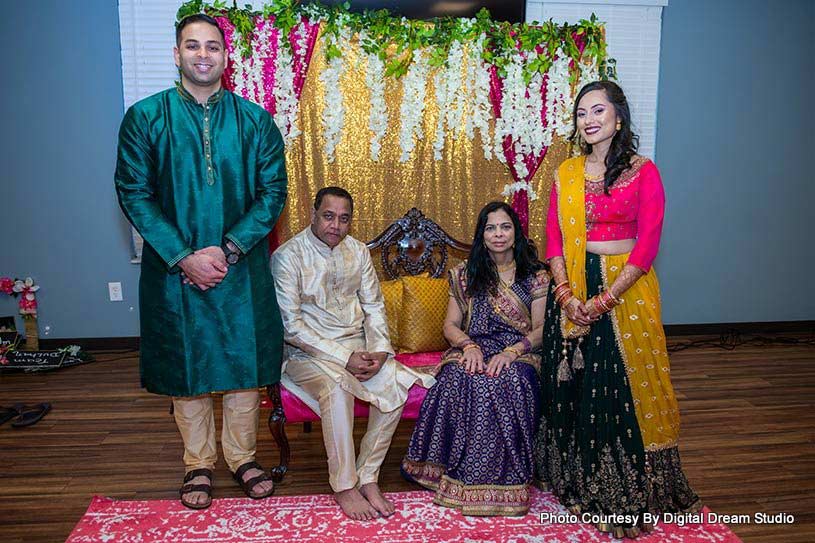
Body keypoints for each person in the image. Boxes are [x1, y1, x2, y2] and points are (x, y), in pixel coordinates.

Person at [115, 14, 287, 510]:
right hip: (175, 272)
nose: (203, 54)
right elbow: (134, 191)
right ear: (177, 54)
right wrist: (184, 255)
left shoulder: (254, 120)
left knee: (240, 363)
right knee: (188, 370)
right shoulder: (146, 117)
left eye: (213, 46)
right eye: (193, 46)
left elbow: (272, 192)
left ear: (226, 57)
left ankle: (243, 457)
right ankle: (198, 464)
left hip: (241, 264)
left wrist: (229, 248)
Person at [534, 80, 700, 538]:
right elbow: (553, 237)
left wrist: (606, 298)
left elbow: (647, 243)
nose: (588, 119)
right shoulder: (566, 172)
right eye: (582, 112)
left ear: (618, 117)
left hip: (627, 290)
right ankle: (579, 478)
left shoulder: (644, 171)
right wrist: (567, 295)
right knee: (578, 386)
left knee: (626, 386)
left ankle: (629, 486)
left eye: (598, 110)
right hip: (571, 286)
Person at [270, 187, 435, 521]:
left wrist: (379, 352)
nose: (336, 225)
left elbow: (373, 307)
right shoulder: (287, 257)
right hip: (306, 356)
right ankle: (344, 485)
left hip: (358, 349)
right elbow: (292, 327)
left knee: (395, 383)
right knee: (336, 388)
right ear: (313, 213)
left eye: (344, 219)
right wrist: (342, 357)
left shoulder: (358, 252)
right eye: (328, 216)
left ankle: (368, 475)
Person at [401, 201, 549, 516]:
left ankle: (502, 482)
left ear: (516, 232)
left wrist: (512, 352)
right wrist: (468, 347)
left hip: (520, 351)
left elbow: (541, 330)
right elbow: (450, 326)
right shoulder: (465, 274)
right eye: (491, 228)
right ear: (482, 234)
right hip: (474, 346)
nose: (498, 234)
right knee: (459, 377)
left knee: (502, 381)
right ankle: (452, 471)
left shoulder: (536, 275)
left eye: (505, 227)